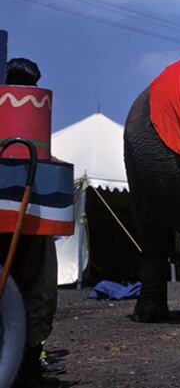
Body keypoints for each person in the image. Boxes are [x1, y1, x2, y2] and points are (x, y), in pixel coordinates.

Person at [2, 58, 63, 387]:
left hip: (31, 210)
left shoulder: (33, 117)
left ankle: (30, 356)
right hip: (14, 208)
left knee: (39, 283)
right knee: (32, 283)